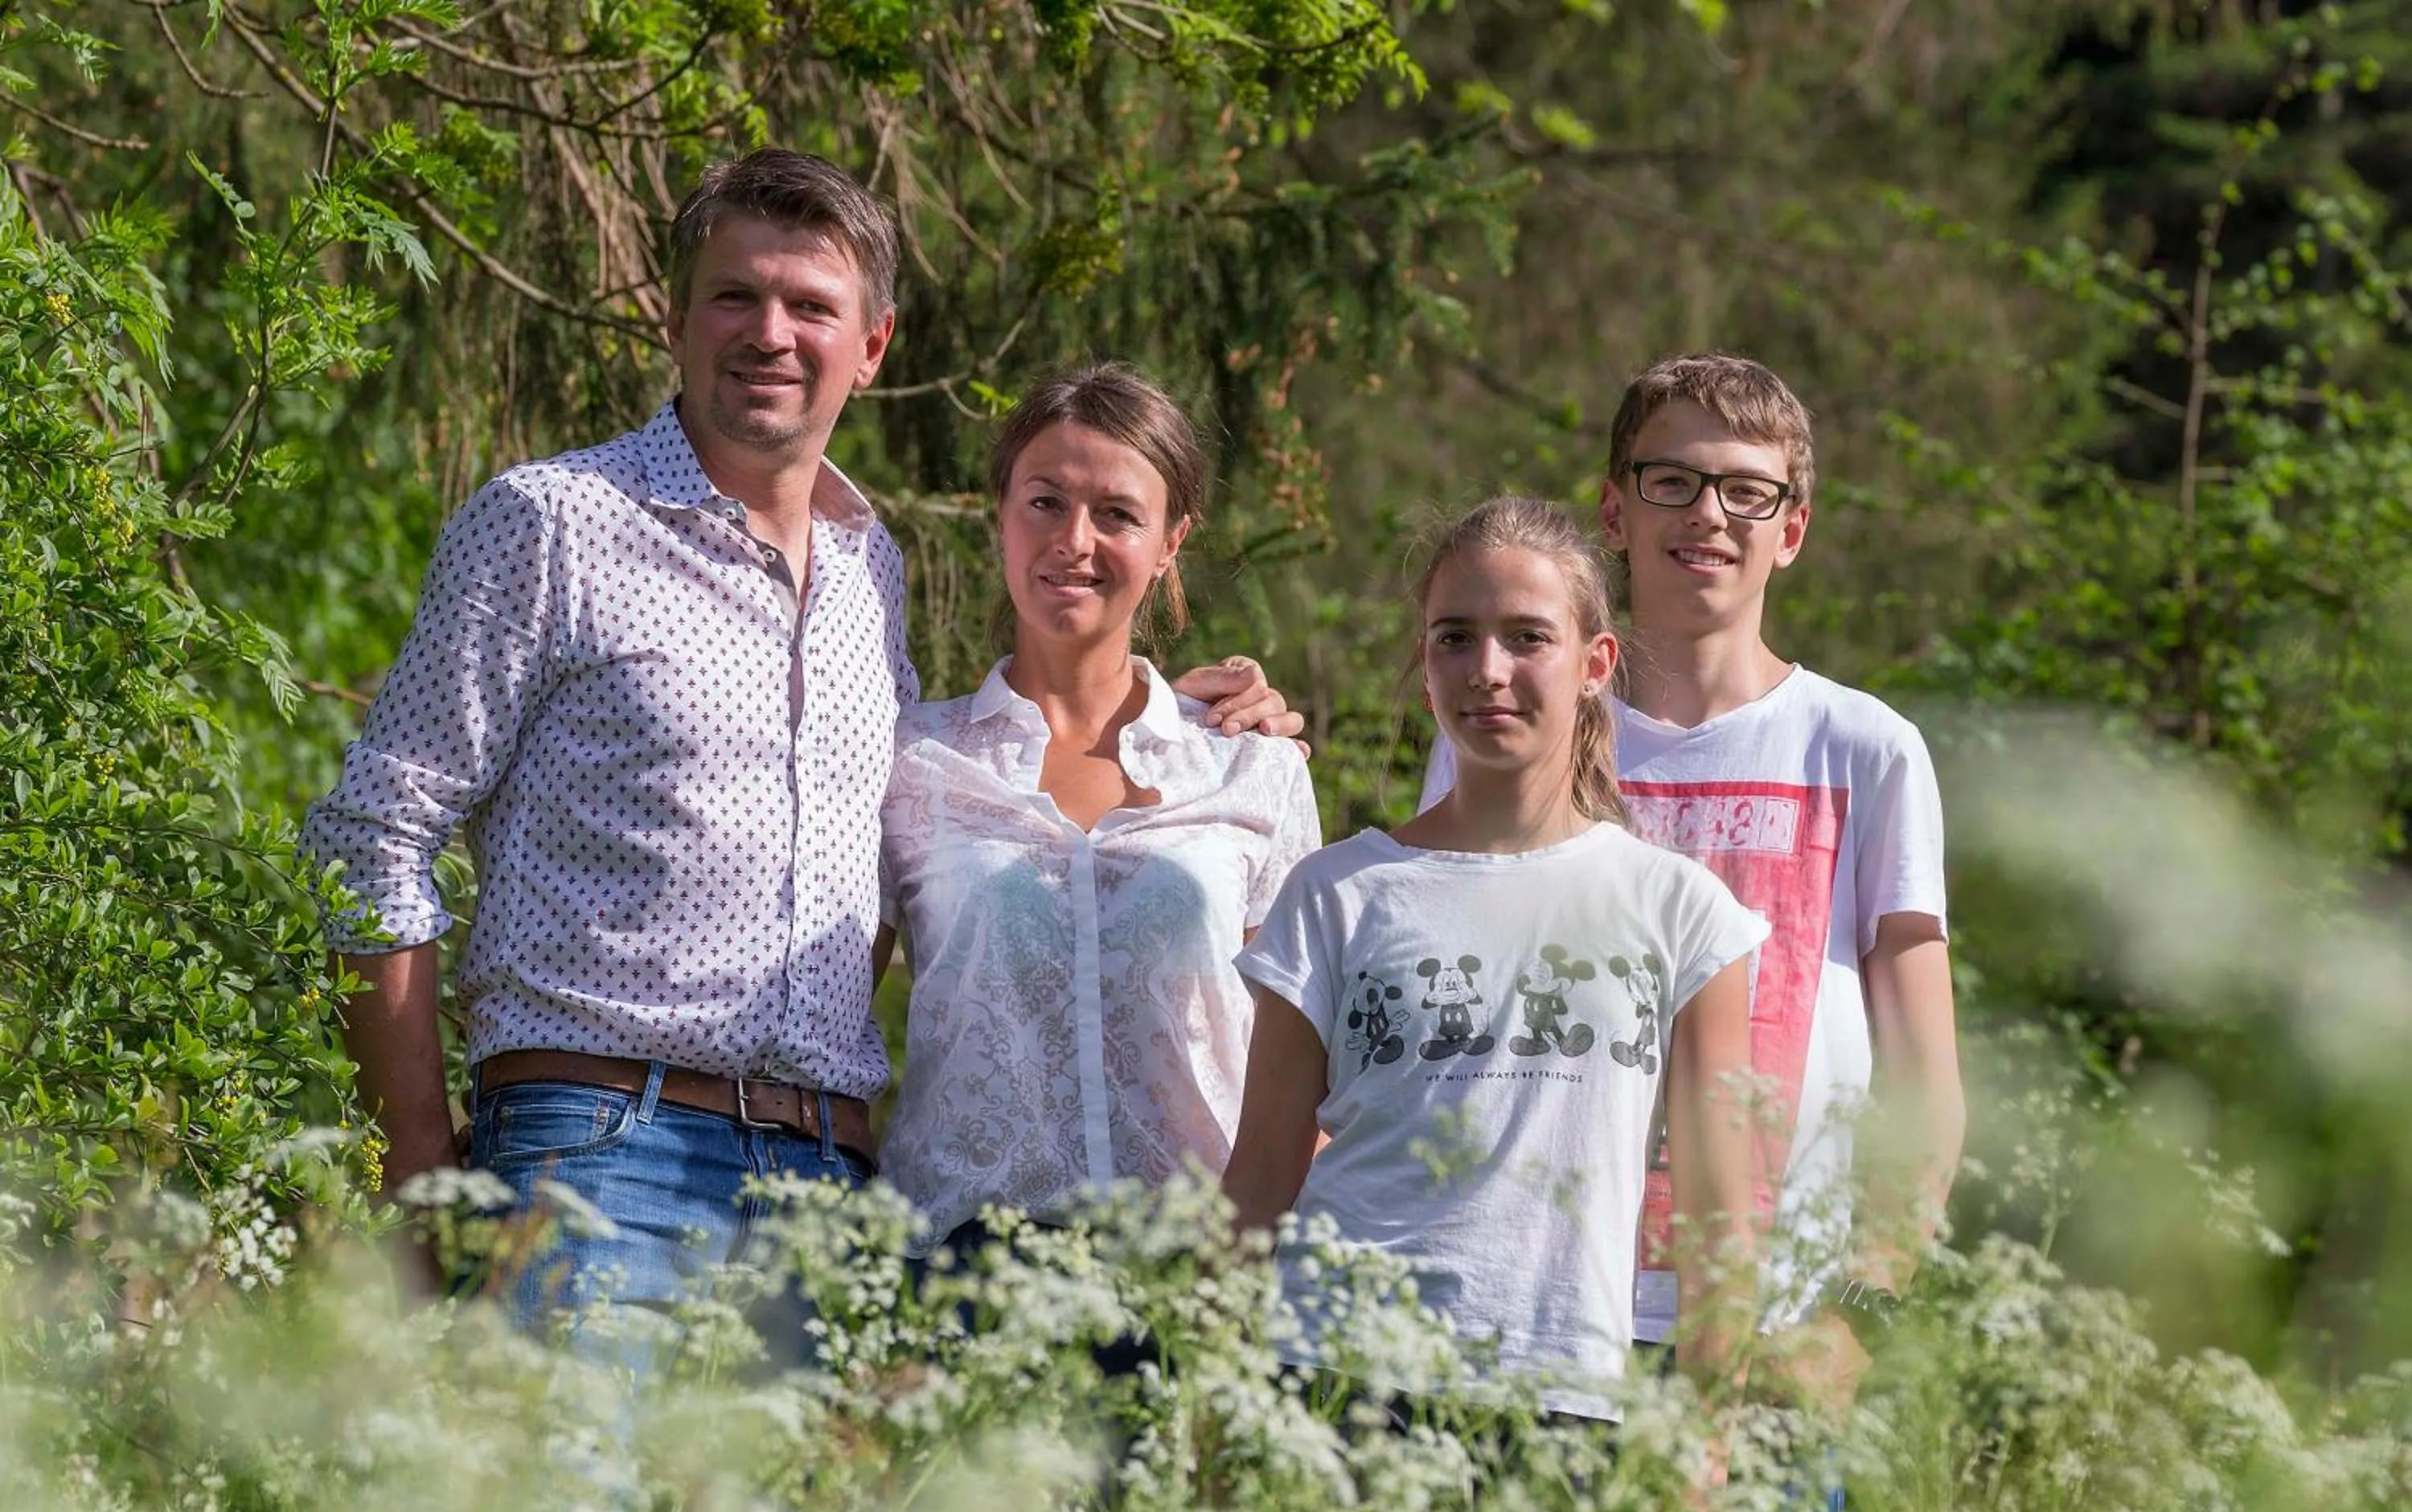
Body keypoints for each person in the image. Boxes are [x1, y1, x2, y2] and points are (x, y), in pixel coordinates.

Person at [299, 149, 1296, 1342]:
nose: (770, 332)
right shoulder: (553, 524)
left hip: (832, 1192)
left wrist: (1186, 723)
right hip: (601, 1145)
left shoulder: (872, 573)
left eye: (811, 306)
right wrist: (417, 1178)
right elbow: (373, 835)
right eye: (736, 296)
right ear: (674, 319)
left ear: (870, 346)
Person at [1421, 354, 1965, 1416]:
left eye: (1746, 490)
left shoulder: (1863, 748)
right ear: (1615, 510)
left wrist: (1865, 1308)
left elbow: (1927, 1077)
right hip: (1536, 1307)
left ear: (1791, 530)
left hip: (1777, 1329)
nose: (1708, 514)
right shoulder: (1509, 724)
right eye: (1673, 480)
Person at [1222, 495, 1767, 1424]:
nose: (1489, 671)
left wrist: (1699, 1468)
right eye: (1455, 638)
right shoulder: (1338, 893)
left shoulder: (1681, 912)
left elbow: (1724, 1227)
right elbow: (1258, 1182)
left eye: (1528, 638)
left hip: (1564, 1395)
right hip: (1335, 1389)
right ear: (1425, 662)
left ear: (1596, 664)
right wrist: (1213, 1408)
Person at [876, 363, 1321, 1257]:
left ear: (1170, 542)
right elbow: (831, 1038)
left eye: (1117, 514)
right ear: (1000, 511)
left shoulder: (1250, 767)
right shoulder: (906, 762)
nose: (1075, 540)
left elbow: (1306, 1073)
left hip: (1195, 1275)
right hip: (957, 1274)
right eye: (1046, 502)